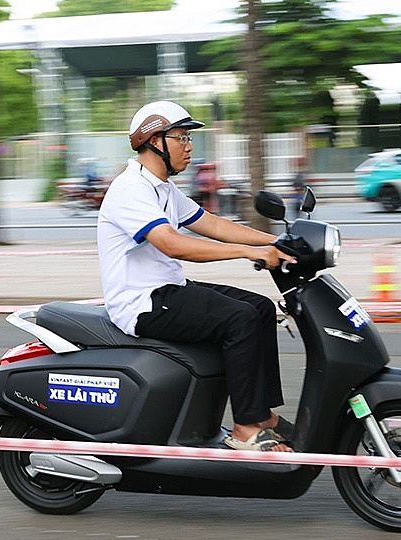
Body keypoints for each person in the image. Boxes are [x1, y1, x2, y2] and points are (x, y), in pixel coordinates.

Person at [97, 101, 296, 453]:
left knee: (261, 308)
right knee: (240, 318)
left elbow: (214, 225)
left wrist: (279, 240)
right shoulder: (131, 189)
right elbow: (172, 245)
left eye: (189, 138)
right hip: (141, 302)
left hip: (168, 290)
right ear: (154, 140)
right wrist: (250, 252)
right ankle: (246, 427)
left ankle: (260, 414)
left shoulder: (164, 189)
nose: (189, 146)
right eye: (182, 137)